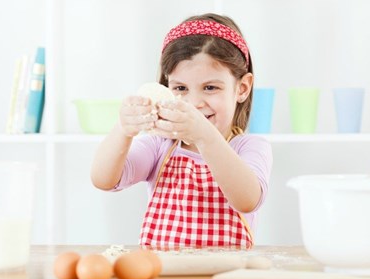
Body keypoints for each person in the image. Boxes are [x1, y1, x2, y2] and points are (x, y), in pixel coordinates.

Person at [91, 13, 273, 248]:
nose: (194, 103)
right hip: (163, 277)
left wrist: (204, 136)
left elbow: (247, 199)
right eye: (180, 88)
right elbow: (103, 179)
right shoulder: (159, 145)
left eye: (210, 87)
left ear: (242, 88)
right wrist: (123, 129)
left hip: (225, 278)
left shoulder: (249, 147)